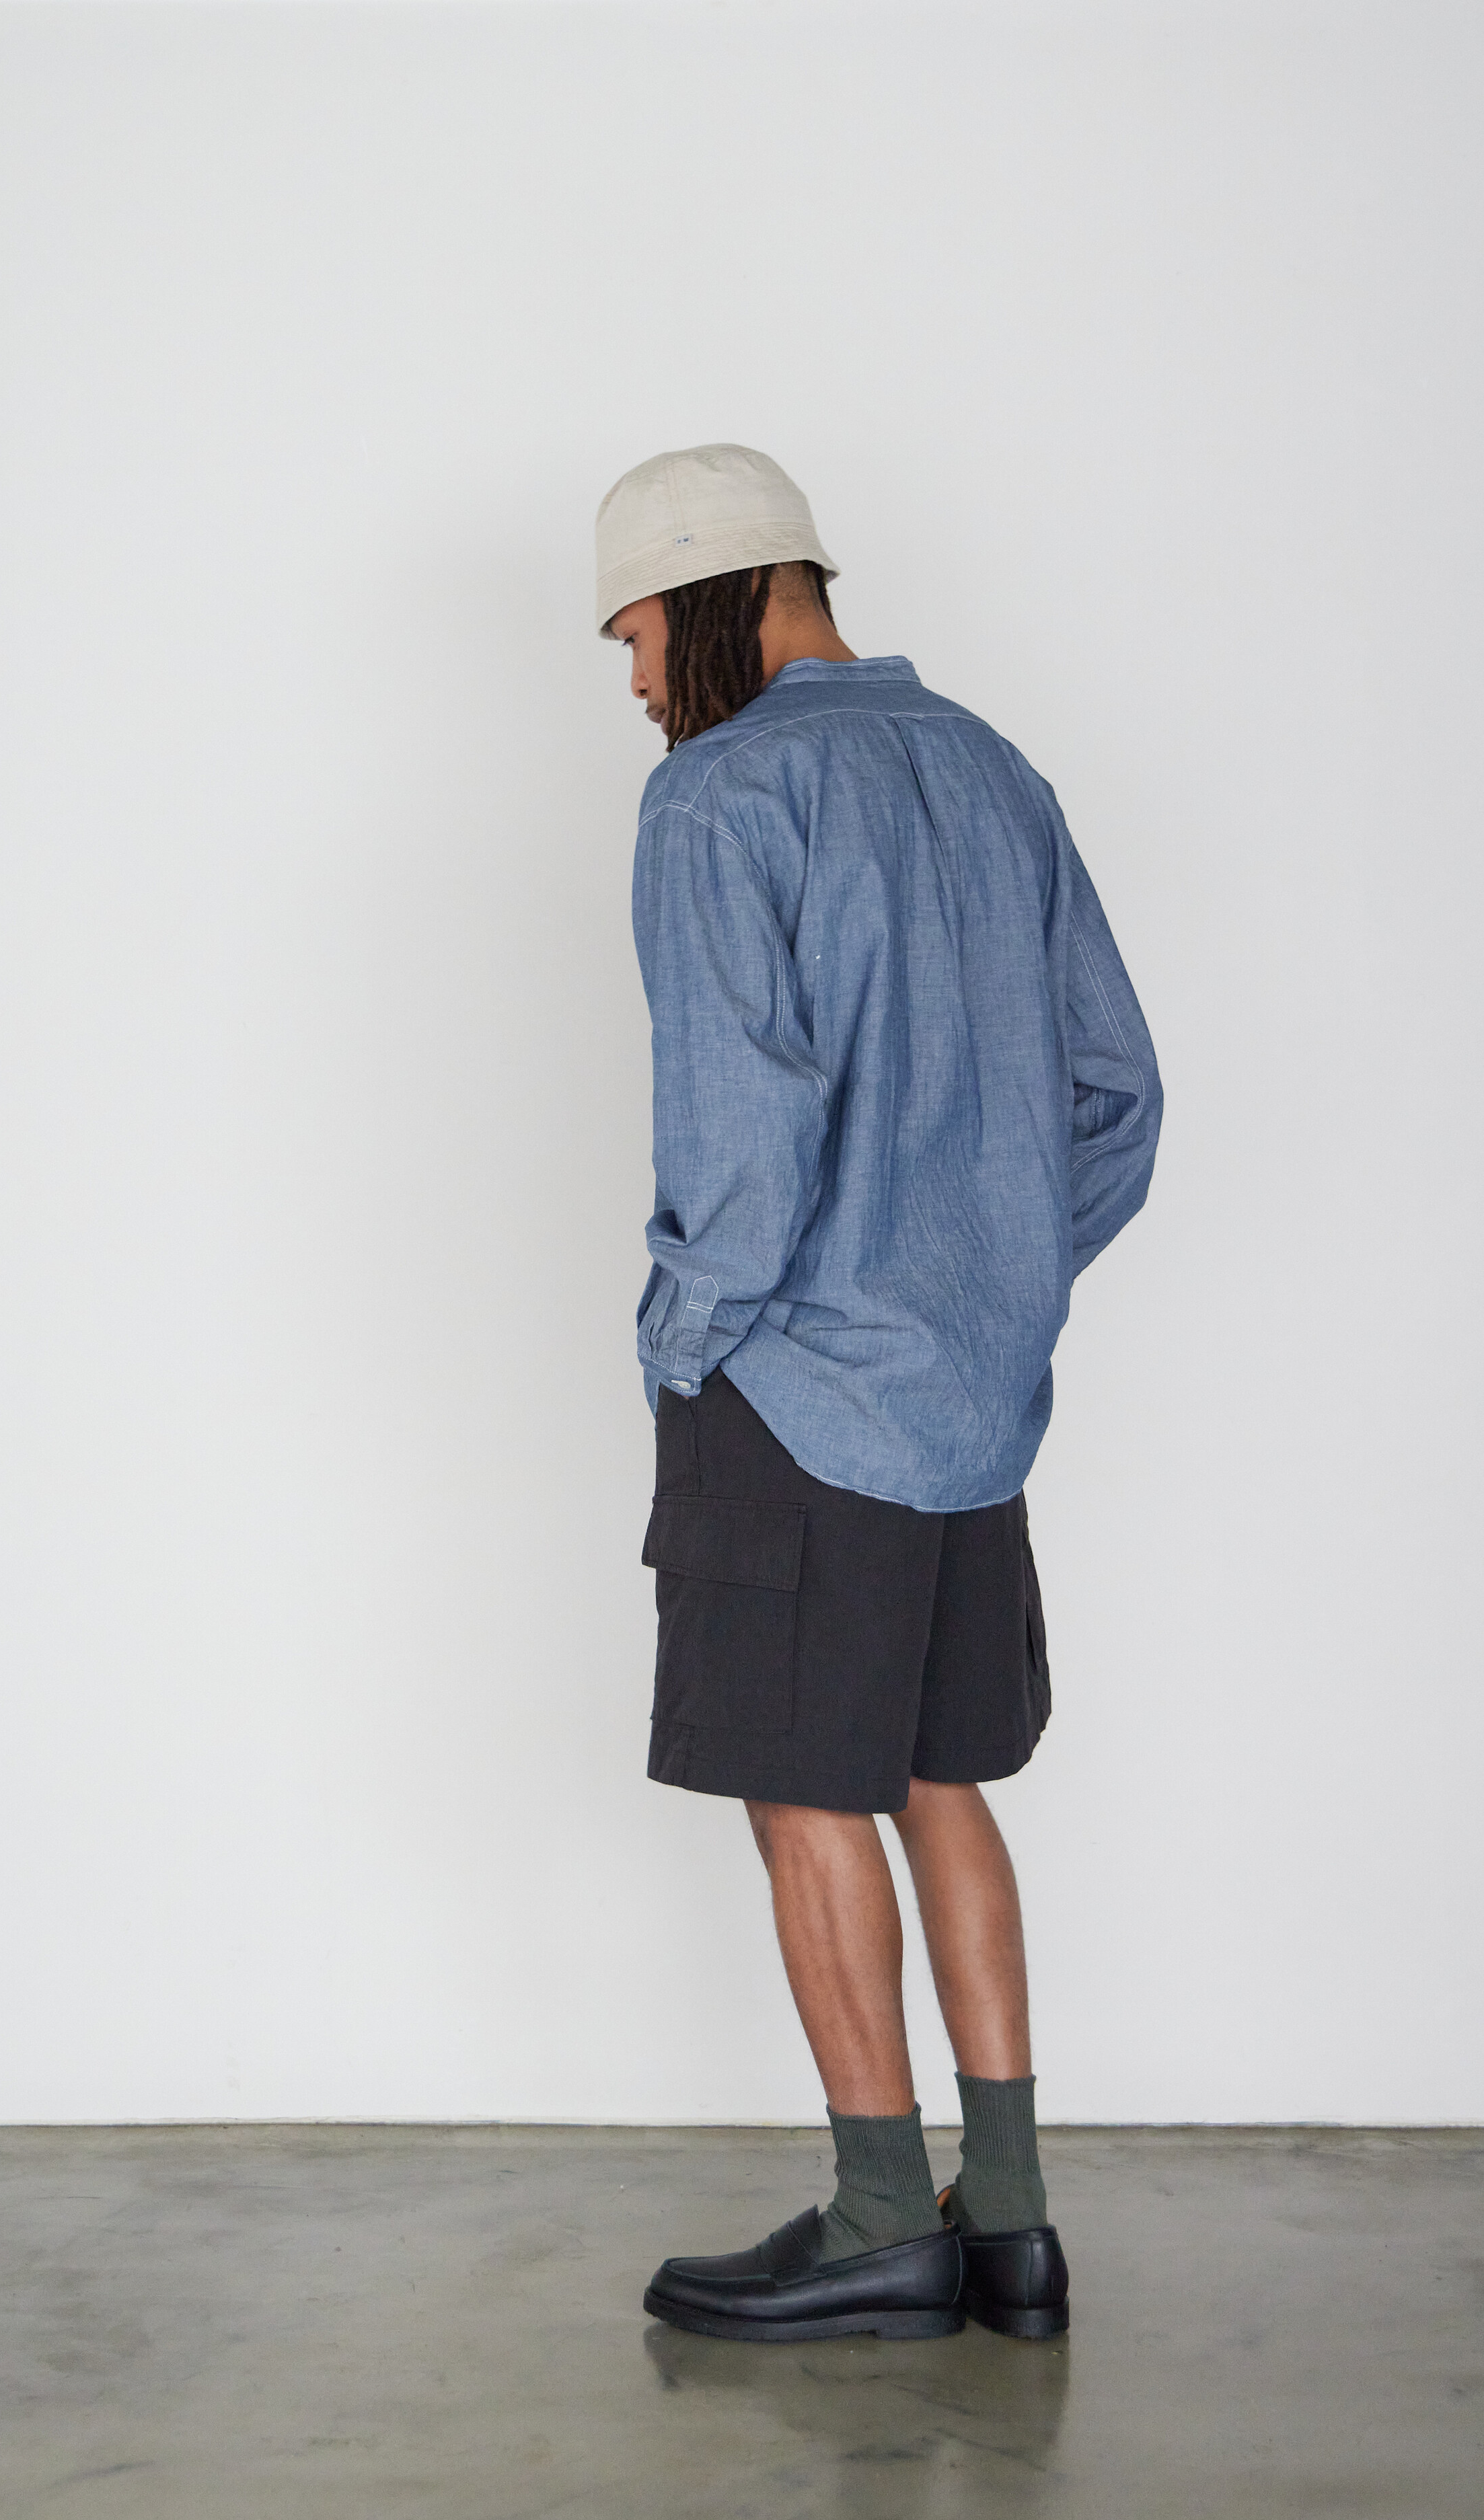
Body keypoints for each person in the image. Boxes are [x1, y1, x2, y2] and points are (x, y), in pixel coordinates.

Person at [597, 444, 1162, 2344]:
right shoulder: (994, 771)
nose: (631, 681)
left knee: (800, 1791)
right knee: (938, 1775)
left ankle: (874, 2219)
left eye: (634, 635)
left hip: (793, 1389)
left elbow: (742, 1143)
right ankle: (1007, 2222)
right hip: (967, 1402)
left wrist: (686, 1337)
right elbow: (1115, 1097)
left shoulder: (716, 796)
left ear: (712, 599)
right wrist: (989, 1280)